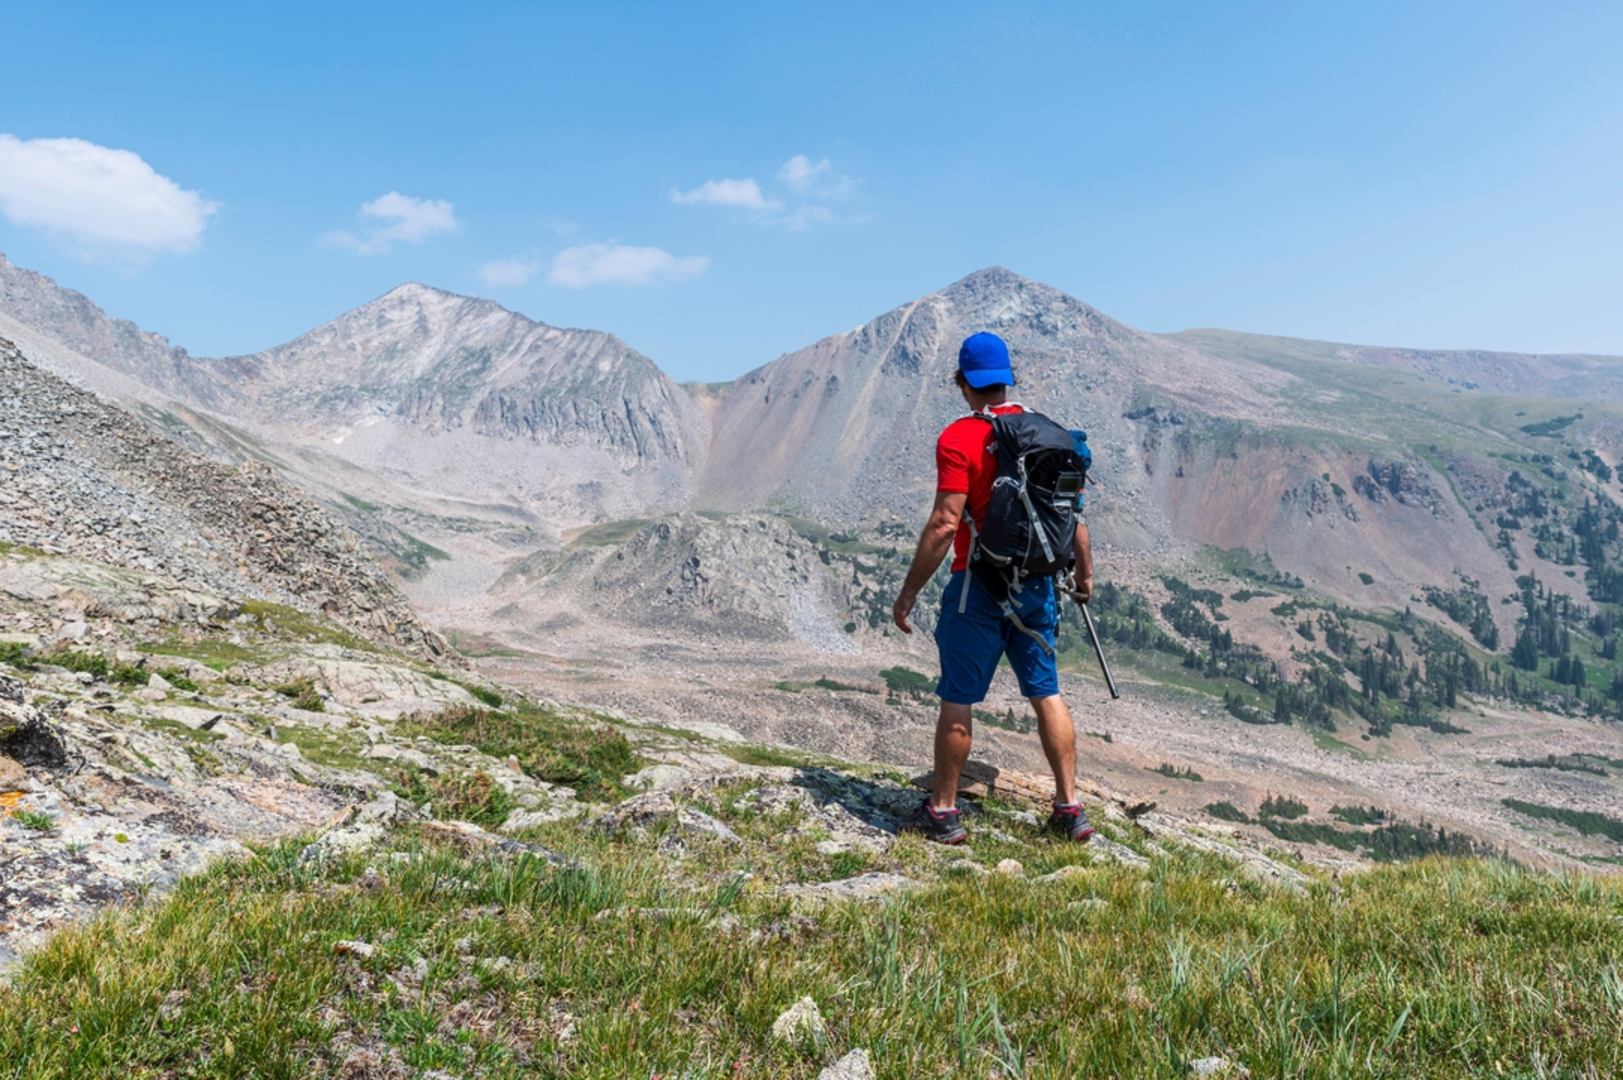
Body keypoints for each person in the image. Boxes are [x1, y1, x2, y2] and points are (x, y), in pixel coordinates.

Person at [890, 331, 1095, 845]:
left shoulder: (958, 437)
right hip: (1039, 587)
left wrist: (910, 591)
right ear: (1009, 380)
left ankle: (942, 811)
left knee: (959, 697)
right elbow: (1076, 522)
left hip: (975, 586)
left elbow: (944, 523)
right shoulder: (1053, 436)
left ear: (963, 383)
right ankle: (1069, 809)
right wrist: (1084, 577)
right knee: (1046, 692)